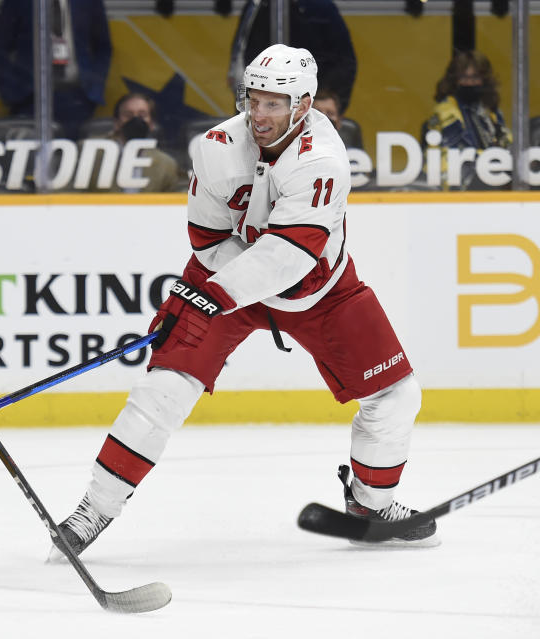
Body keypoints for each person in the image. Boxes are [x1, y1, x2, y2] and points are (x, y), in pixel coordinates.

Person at [53, 44, 439, 560]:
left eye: (273, 104)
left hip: (318, 290)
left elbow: (290, 258)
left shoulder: (323, 158)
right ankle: (92, 511)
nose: (258, 114)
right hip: (227, 275)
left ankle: (371, 505)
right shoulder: (216, 146)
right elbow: (208, 237)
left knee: (397, 395)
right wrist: (209, 295)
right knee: (162, 389)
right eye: (253, 100)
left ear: (303, 106)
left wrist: (209, 298)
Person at [0, 0, 112, 140]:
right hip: (30, 96)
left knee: (75, 155)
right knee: (31, 155)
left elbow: (103, 47)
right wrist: (12, 88)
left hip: (77, 98)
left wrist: (95, 86)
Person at [228, 0, 357, 114]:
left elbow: (345, 63)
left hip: (304, 106)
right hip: (256, 102)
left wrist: (321, 97)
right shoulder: (255, 5)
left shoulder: (319, 7)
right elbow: (241, 51)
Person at [423, 50, 512, 189]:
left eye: (475, 77)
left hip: (488, 180)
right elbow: (457, 152)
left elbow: (509, 145)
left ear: (484, 79)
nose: (470, 83)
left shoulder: (490, 112)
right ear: (454, 80)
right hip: (452, 185)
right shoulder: (446, 110)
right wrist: (495, 158)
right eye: (464, 78)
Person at [88, 92, 185, 193]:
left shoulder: (166, 164)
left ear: (151, 124)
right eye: (128, 115)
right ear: (116, 123)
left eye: (142, 115)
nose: (135, 119)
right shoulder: (91, 156)